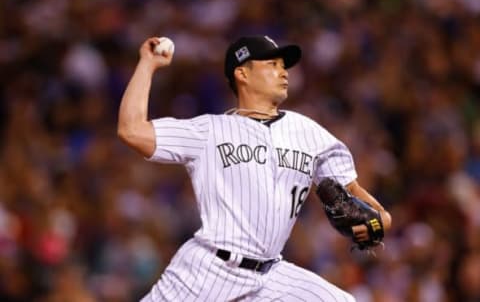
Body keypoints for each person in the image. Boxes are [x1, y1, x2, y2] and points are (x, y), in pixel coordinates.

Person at [118, 35, 392, 301]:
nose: (283, 72)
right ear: (242, 74)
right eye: (272, 64)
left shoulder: (308, 132)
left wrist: (378, 221)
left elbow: (363, 200)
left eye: (284, 66)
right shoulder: (209, 130)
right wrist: (147, 65)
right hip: (211, 269)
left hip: (270, 275)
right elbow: (131, 130)